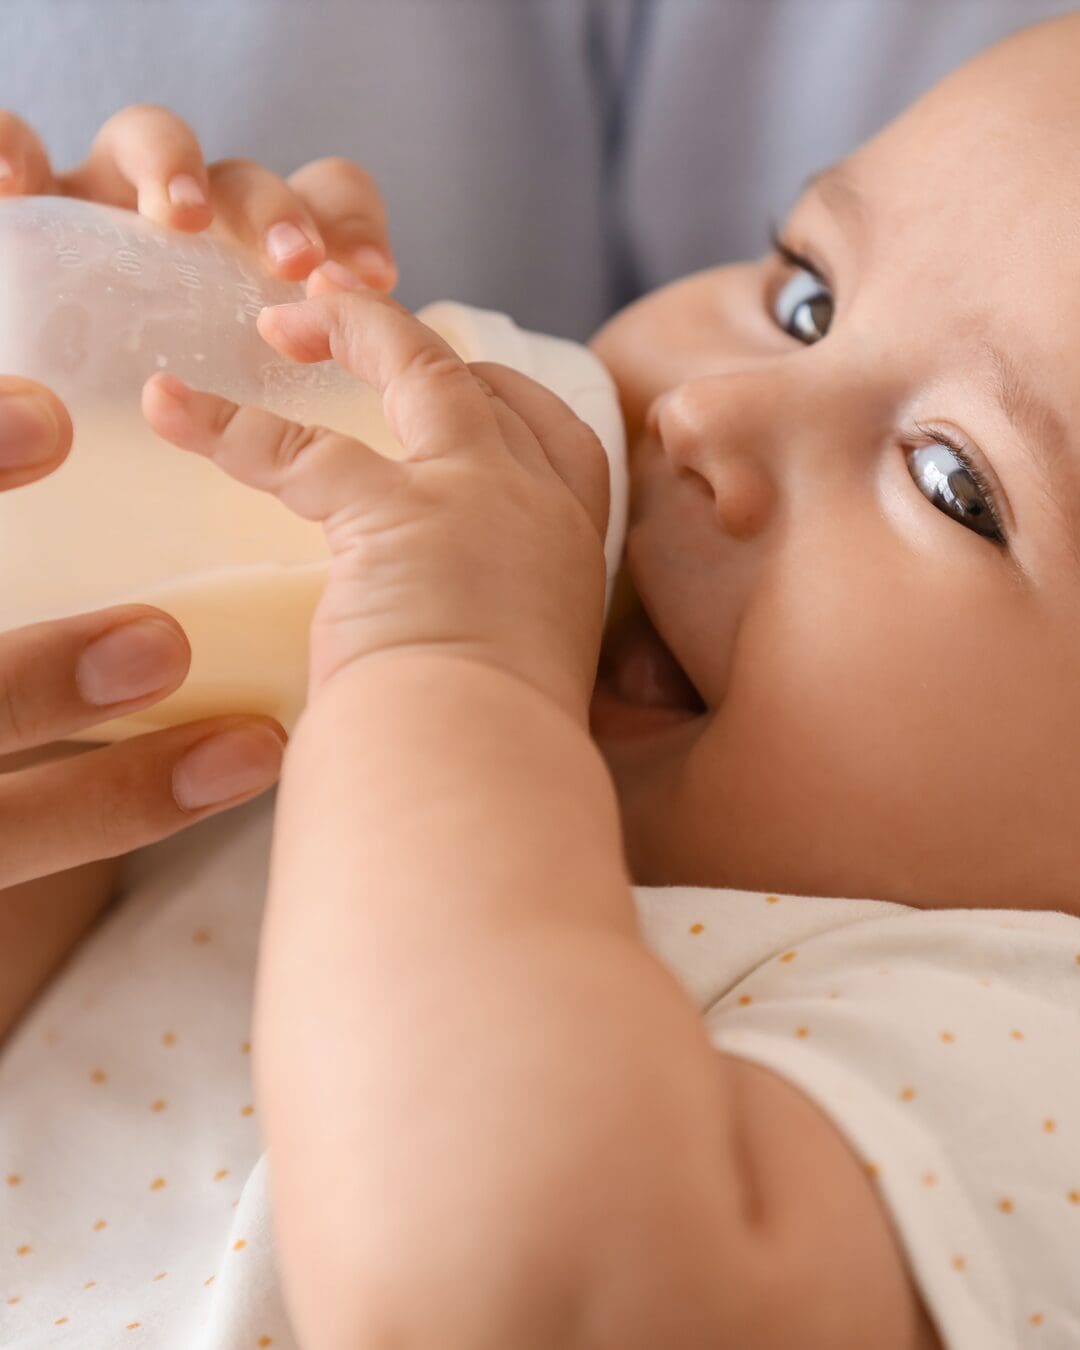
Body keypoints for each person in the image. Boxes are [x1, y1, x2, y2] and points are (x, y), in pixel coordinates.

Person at [4, 10, 1080, 1348]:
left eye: (954, 482)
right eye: (805, 294)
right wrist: (70, 639)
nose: (709, 413)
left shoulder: (1018, 1040)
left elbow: (530, 1295)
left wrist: (448, 669)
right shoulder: (361, 751)